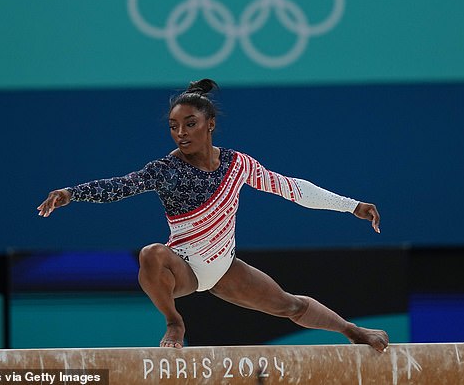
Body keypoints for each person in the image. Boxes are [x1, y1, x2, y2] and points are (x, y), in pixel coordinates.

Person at [37, 79, 389, 352]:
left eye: (190, 124)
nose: (181, 133)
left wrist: (350, 204)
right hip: (183, 270)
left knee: (290, 305)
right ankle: (174, 322)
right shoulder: (166, 169)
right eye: (174, 127)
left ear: (210, 124)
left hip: (224, 268)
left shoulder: (238, 164)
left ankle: (353, 331)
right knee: (151, 254)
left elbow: (291, 188)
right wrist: (73, 193)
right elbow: (121, 185)